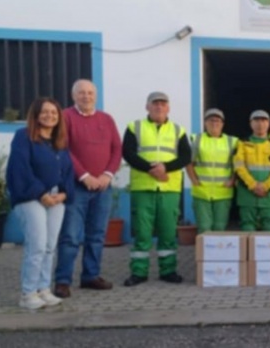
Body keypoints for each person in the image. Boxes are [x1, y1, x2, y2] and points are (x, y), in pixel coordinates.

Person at [54, 80, 122, 299]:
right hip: (76, 187)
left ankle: (90, 276)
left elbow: (116, 150)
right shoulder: (65, 117)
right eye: (81, 93)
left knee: (96, 235)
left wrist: (106, 175)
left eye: (90, 93)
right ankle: (63, 281)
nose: (86, 96)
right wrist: (84, 176)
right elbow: (63, 149)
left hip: (103, 187)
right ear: (74, 96)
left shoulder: (106, 119)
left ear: (96, 95)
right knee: (71, 236)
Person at [6, 98, 75, 309]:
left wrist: (64, 194)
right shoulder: (23, 137)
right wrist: (41, 193)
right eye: (44, 112)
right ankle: (28, 294)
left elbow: (68, 173)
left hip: (56, 199)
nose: (50, 116)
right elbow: (20, 169)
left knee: (49, 246)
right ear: (35, 115)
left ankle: (43, 289)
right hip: (31, 198)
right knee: (36, 246)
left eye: (54, 112)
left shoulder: (59, 143)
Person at [121, 92, 191, 286]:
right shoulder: (134, 127)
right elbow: (127, 152)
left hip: (169, 189)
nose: (159, 107)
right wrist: (151, 169)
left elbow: (186, 156)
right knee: (142, 233)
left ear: (168, 108)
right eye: (155, 104)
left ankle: (168, 271)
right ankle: (139, 273)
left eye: (163, 104)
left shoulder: (178, 130)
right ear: (147, 107)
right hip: (143, 188)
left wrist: (165, 168)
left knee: (168, 233)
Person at [185, 108, 236, 233]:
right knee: (204, 228)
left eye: (218, 120)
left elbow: (238, 165)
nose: (214, 123)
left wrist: (232, 180)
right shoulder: (197, 139)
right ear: (205, 123)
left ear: (222, 124)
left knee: (220, 228)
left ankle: (217, 253)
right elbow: (188, 162)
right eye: (211, 120)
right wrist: (194, 180)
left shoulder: (232, 141)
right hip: (202, 191)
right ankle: (204, 253)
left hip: (223, 191)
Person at [233, 110, 270, 231]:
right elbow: (238, 168)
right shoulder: (242, 143)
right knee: (247, 227)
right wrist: (253, 186)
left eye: (263, 120)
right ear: (250, 123)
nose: (260, 124)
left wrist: (265, 187)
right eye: (256, 120)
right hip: (247, 196)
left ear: (269, 123)